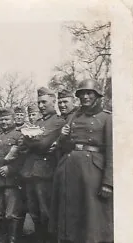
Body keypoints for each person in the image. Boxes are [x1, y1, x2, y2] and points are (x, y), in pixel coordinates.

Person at [49, 80, 113, 243]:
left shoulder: (106, 118)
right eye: (82, 93)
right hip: (70, 171)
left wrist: (108, 182)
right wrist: (63, 136)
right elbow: (65, 147)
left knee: (92, 219)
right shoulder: (74, 117)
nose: (85, 96)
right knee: (70, 218)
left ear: (97, 95)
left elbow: (111, 151)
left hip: (92, 173)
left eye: (89, 93)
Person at [20, 87, 65, 243]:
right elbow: (24, 143)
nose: (40, 106)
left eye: (44, 102)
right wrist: (31, 140)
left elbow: (43, 144)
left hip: (45, 172)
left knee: (45, 212)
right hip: (30, 172)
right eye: (39, 102)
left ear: (53, 101)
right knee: (34, 212)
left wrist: (30, 139)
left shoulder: (58, 121)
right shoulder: (38, 122)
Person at [0, 108, 26, 243]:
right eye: (1, 119)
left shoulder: (19, 135)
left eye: (7, 119)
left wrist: (11, 168)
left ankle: (12, 239)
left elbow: (24, 157)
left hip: (11, 182)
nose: (4, 122)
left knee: (11, 214)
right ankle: (2, 238)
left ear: (13, 119)